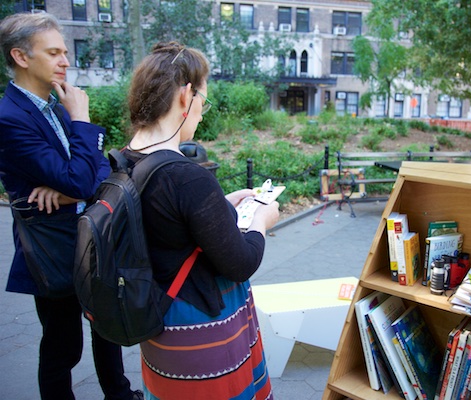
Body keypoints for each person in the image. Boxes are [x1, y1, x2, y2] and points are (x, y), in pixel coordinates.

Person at [124, 41, 280, 400]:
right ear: (185, 96)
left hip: (160, 330)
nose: (202, 113)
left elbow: (165, 226)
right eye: (203, 102)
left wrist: (220, 205)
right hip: (201, 333)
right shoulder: (186, 175)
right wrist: (261, 219)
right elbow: (241, 262)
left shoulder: (128, 161)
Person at [0, 12, 142, 400]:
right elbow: (84, 178)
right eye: (55, 52)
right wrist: (82, 119)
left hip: (91, 238)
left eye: (65, 51)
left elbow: (99, 174)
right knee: (62, 346)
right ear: (21, 56)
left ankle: (120, 394)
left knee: (106, 329)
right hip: (53, 248)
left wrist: (68, 191)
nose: (66, 60)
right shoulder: (10, 117)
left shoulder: (53, 104)